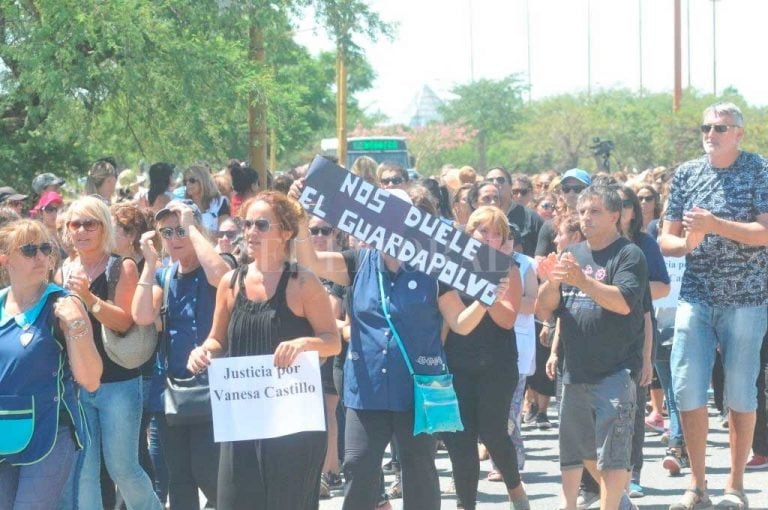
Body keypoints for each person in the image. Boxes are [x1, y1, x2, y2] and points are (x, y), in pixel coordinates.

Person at [289, 181, 495, 510]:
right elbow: (310, 260)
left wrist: (485, 301)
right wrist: (301, 215)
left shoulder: (433, 267)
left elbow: (460, 322)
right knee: (358, 465)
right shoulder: (358, 261)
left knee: (419, 472)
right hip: (366, 390)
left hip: (416, 391)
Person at [186, 191, 340, 510]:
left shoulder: (303, 282)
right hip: (243, 420)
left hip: (293, 424)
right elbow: (217, 340)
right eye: (247, 224)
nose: (250, 231)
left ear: (285, 232)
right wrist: (203, 351)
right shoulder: (231, 283)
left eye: (261, 224)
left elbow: (332, 341)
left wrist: (304, 344)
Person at [659, 102, 768, 510]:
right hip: (697, 296)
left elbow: (764, 232)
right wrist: (688, 242)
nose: (711, 133)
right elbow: (666, 240)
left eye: (721, 127)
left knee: (741, 393)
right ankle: (697, 484)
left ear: (739, 132)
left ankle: (734, 485)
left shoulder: (759, 169)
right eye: (706, 126)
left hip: (748, 299)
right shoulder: (686, 174)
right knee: (686, 386)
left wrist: (714, 225)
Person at [537, 185, 648, 510]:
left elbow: (625, 303)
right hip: (575, 369)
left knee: (613, 451)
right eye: (583, 211)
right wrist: (553, 282)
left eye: (595, 211)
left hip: (615, 369)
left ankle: (610, 505)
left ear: (615, 216)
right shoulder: (573, 254)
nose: (586, 217)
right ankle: (617, 500)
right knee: (581, 448)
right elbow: (546, 309)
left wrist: (582, 281)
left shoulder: (628, 255)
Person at [60, 196, 163, 510]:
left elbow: (123, 322)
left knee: (123, 468)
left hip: (118, 383)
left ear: (104, 227)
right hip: (77, 384)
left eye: (90, 223)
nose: (81, 230)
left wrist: (88, 298)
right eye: (74, 224)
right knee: (85, 472)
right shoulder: (64, 268)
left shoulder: (122, 265)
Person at [133, 199, 231, 509]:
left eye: (181, 231)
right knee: (179, 480)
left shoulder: (217, 262)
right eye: (167, 233)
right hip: (174, 392)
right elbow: (142, 315)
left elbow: (222, 276)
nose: (174, 239)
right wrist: (150, 264)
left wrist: (191, 227)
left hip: (216, 389)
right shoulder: (166, 275)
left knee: (212, 475)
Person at [0, 219, 102, 509]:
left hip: (50, 433)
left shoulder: (63, 304)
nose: (41, 257)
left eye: (46, 248)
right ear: (5, 259)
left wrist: (77, 325)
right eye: (30, 250)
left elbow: (91, 379)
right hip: (4, 432)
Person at [442, 206, 529, 510]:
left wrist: (489, 281)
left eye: (497, 234)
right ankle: (466, 504)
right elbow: (450, 320)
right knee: (460, 439)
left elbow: (507, 319)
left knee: (493, 432)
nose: (489, 239)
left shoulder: (509, 269)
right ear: (469, 233)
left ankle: (515, 488)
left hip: (497, 364)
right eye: (483, 231)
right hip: (458, 362)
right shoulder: (450, 266)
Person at [485, 167, 543, 258]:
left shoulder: (532, 218)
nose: (495, 183)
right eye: (489, 180)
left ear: (510, 186)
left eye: (500, 180)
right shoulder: (477, 218)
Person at [183, 163, 231, 233]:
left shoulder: (219, 203)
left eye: (192, 180)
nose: (188, 184)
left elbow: (225, 233)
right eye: (185, 182)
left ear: (203, 180)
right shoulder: (183, 206)